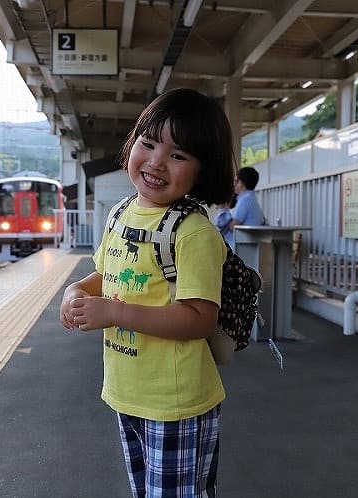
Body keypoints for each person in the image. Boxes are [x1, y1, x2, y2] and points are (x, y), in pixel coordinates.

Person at [59, 88, 235, 497]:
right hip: (129, 393)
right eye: (149, 143)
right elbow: (106, 275)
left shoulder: (194, 232)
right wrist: (74, 292)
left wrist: (115, 314)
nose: (156, 161)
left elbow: (198, 318)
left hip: (175, 401)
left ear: (201, 169)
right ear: (132, 144)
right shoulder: (120, 213)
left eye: (178, 155)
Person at [227, 167, 265, 244]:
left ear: (242, 183)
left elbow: (233, 226)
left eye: (236, 181)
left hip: (242, 246)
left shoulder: (245, 200)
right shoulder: (251, 198)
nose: (234, 184)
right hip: (250, 243)